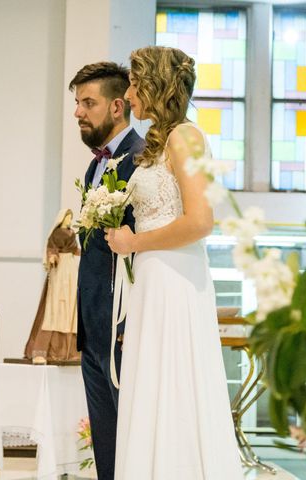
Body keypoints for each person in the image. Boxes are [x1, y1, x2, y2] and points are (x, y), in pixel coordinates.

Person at [106, 47, 244, 479]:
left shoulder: (185, 137)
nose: (128, 94)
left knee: (175, 386)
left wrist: (134, 242)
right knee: (153, 386)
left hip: (174, 280)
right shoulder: (161, 141)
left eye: (133, 83)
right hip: (153, 280)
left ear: (155, 85)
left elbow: (201, 220)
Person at [69, 61, 145, 480]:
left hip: (122, 322)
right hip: (94, 326)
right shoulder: (95, 166)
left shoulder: (140, 161)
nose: (78, 112)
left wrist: (124, 321)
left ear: (117, 106)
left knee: (128, 437)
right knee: (106, 444)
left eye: (87, 103)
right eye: (77, 103)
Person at [24, 208, 81, 363]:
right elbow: (51, 248)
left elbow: (75, 249)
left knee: (70, 304)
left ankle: (70, 351)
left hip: (70, 268)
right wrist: (52, 257)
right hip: (60, 268)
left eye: (71, 218)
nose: (69, 220)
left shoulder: (72, 234)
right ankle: (44, 350)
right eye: (67, 217)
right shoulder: (56, 234)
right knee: (55, 306)